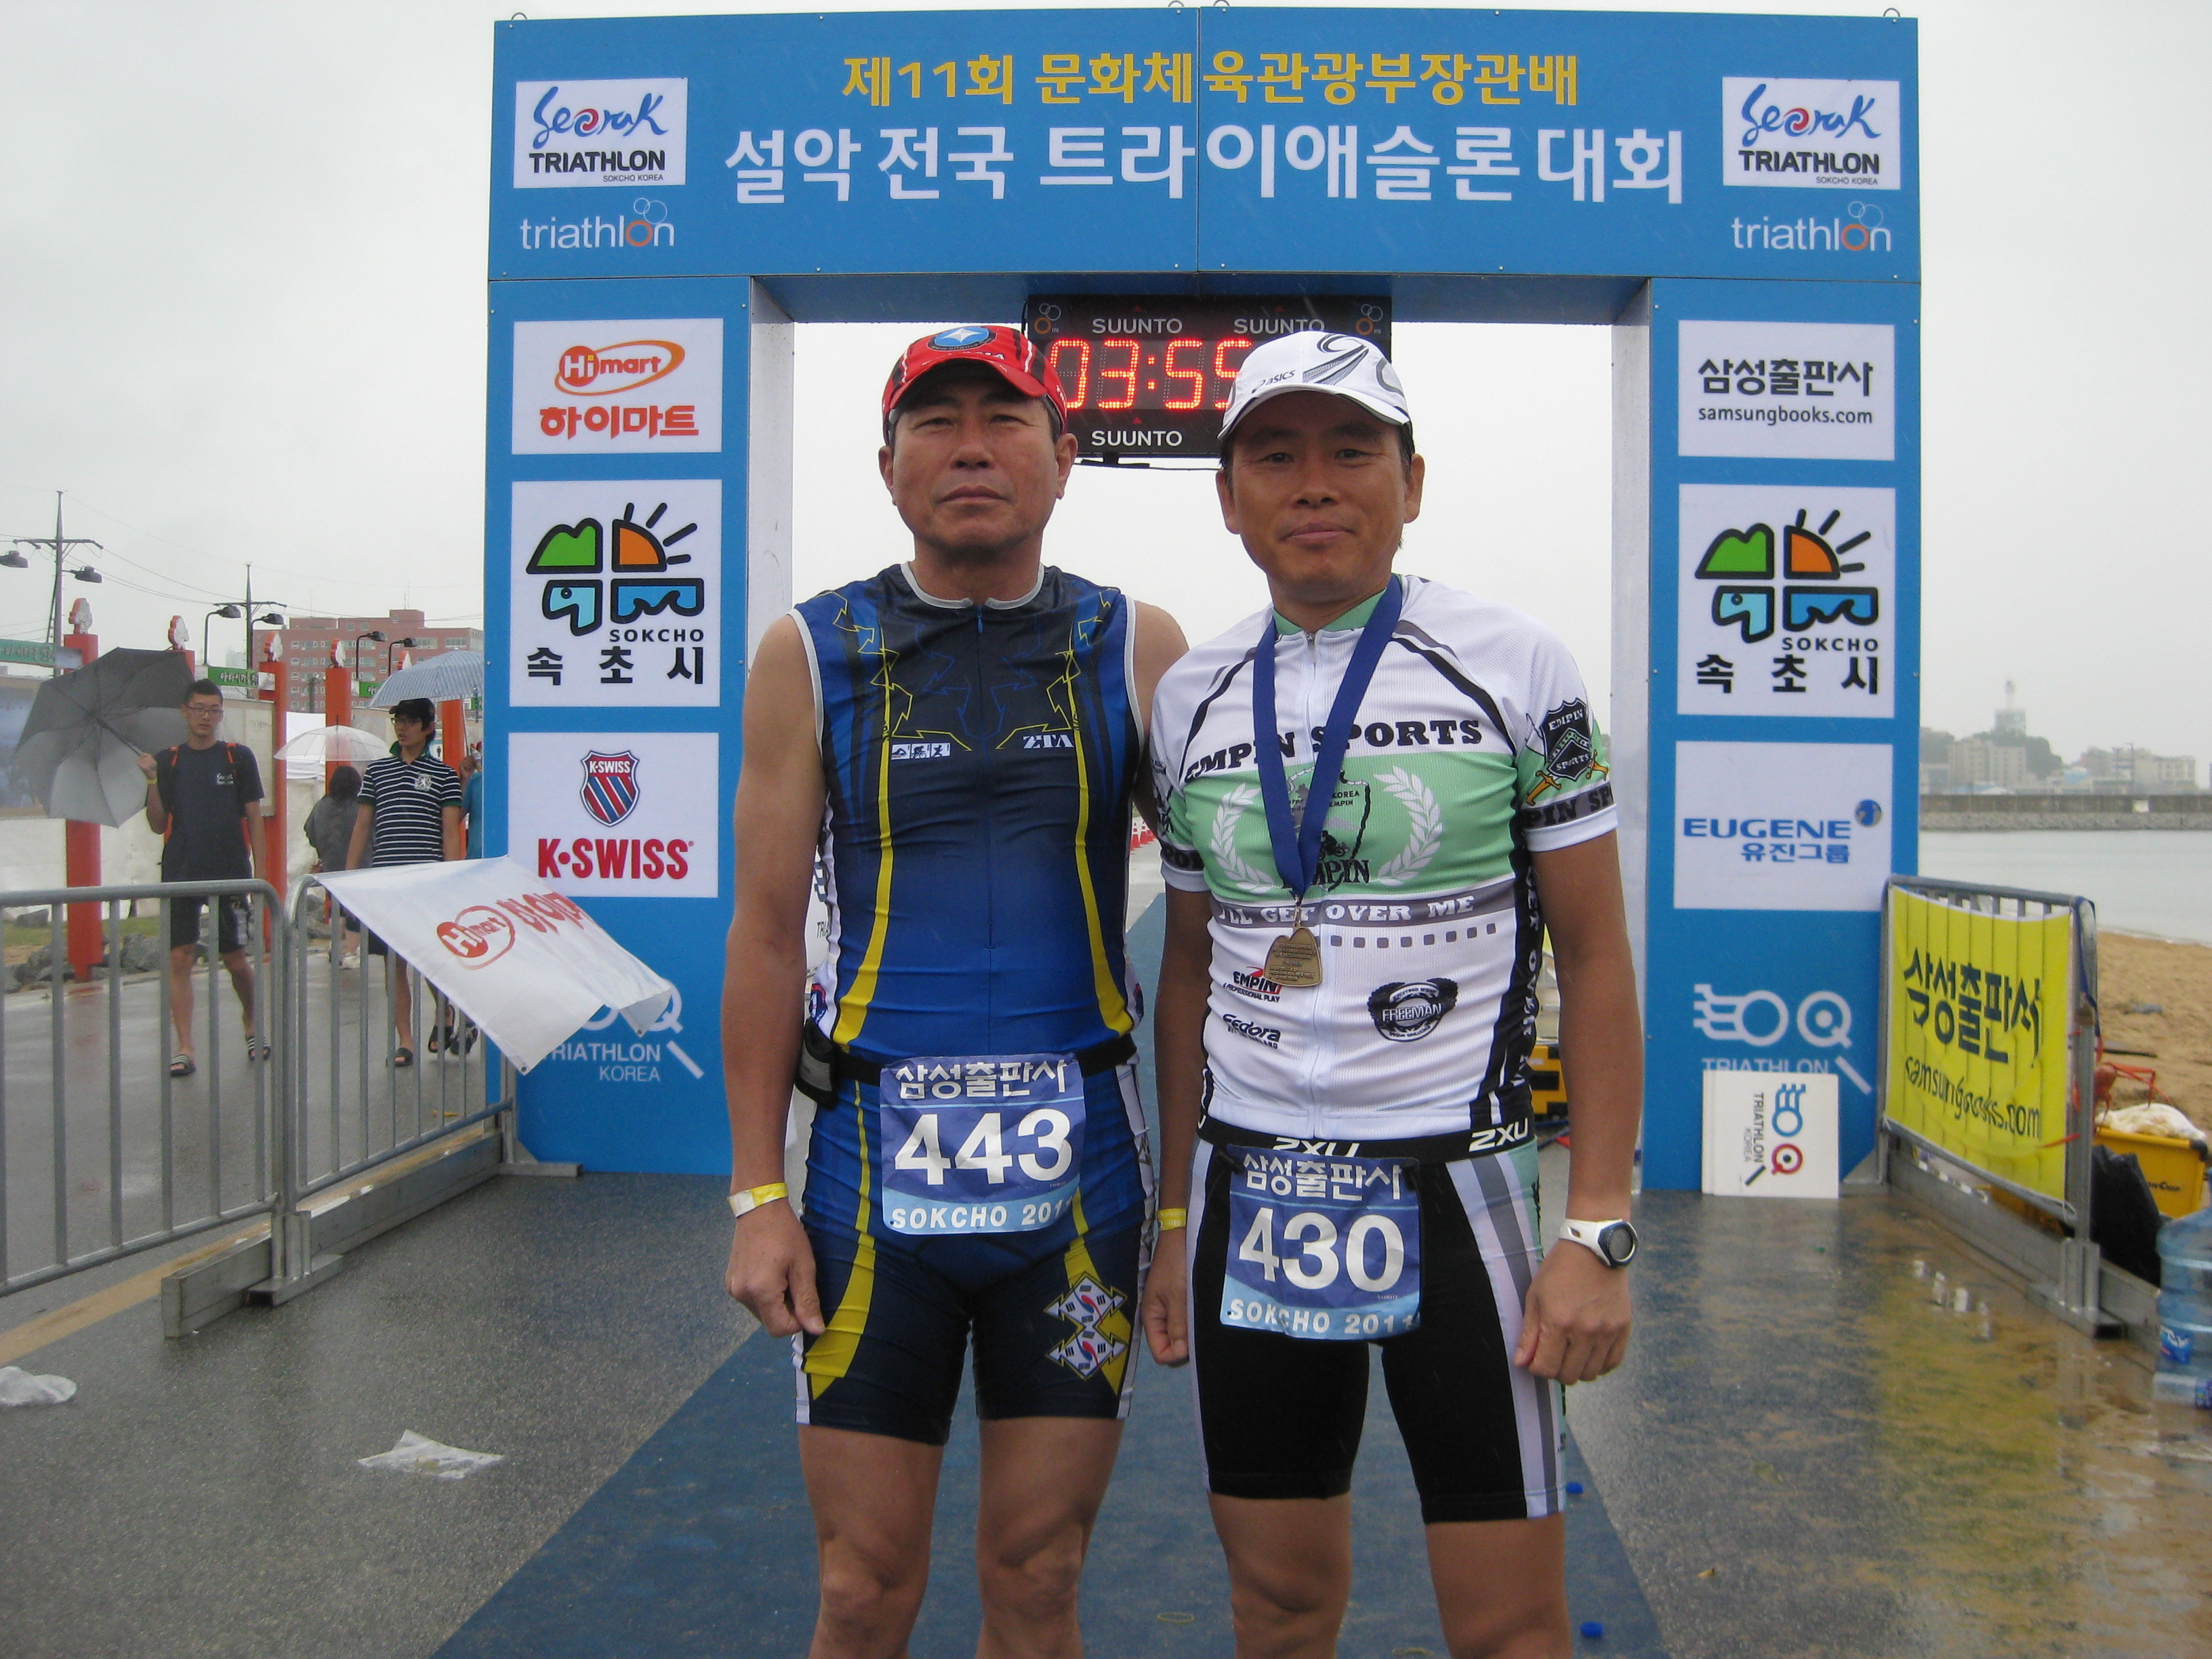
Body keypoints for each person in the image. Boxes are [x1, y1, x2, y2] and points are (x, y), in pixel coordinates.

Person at [1141, 332, 1643, 1659]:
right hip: (1253, 1192)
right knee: (1277, 1611)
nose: (1314, 482)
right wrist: (1172, 1220)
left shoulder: (1515, 662)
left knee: (1509, 1626)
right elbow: (1186, 968)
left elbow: (1596, 956)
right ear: (1228, 496)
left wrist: (1597, 1229)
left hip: (1461, 1186)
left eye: (1351, 450)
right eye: (1275, 455)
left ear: (1411, 482)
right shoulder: (1188, 695)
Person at [720, 325, 1187, 1658]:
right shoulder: (810, 650)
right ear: (887, 466)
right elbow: (763, 937)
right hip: (869, 1175)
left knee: (1038, 1576)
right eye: (934, 423)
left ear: (1064, 457)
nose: (969, 448)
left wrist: (1178, 1211)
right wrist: (755, 1197)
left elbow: (1219, 920)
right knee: (862, 1585)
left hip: (1082, 1174)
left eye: (1004, 419)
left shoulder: (1134, 642)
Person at [138, 678, 268, 1077]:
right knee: (180, 957)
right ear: (185, 711)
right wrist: (151, 780)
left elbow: (254, 817)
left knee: (235, 959)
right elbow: (157, 824)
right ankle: (185, 1046)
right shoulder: (168, 760)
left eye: (213, 710)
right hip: (181, 871)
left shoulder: (237, 756)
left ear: (220, 714)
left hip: (230, 871)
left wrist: (261, 877)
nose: (206, 717)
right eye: (199, 709)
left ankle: (252, 1023)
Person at [344, 697, 462, 1067]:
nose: (402, 727)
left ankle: (445, 1012)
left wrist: (453, 879)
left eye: (410, 721)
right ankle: (405, 1040)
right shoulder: (378, 772)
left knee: (429, 959)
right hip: (386, 881)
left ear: (428, 728)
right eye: (398, 720)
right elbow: (362, 825)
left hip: (428, 882)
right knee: (393, 962)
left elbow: (451, 833)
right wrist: (349, 876)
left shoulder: (444, 775)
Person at [304, 763, 363, 966]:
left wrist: (323, 849)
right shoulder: (359, 807)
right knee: (354, 909)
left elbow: (309, 830)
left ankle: (335, 947)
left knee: (336, 907)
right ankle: (350, 952)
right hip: (359, 866)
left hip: (331, 864)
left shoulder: (322, 805)